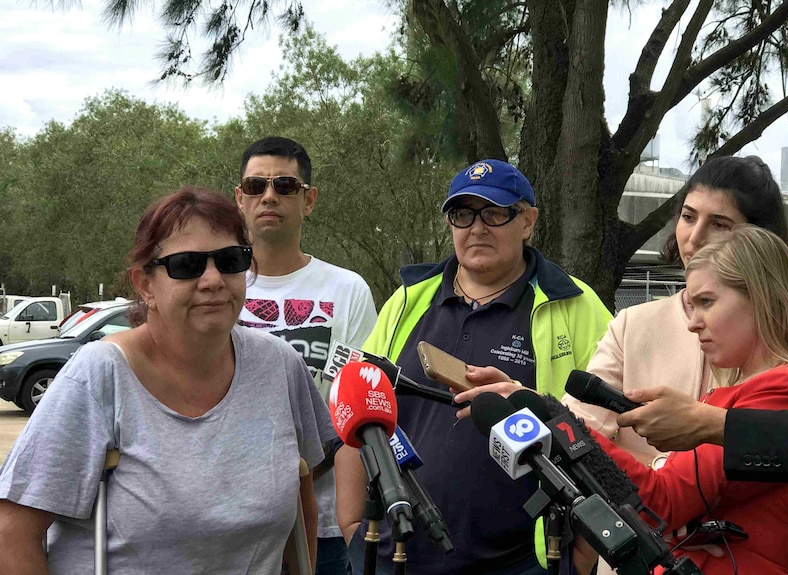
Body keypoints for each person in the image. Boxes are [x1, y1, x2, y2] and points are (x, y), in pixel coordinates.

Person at [0, 187, 335, 574]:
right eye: (187, 265)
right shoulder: (98, 375)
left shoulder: (280, 365)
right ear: (145, 285)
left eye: (230, 260)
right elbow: (13, 530)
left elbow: (303, 503)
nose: (213, 279)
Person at [334, 159, 613, 575]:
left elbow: (610, 437)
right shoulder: (409, 298)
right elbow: (355, 405)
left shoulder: (575, 303)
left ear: (528, 222)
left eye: (495, 212)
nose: (477, 228)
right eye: (462, 214)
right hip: (399, 553)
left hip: (524, 562)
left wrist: (582, 556)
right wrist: (353, 525)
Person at [578, 225, 788, 574]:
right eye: (691, 303)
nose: (693, 323)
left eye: (706, 302)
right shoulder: (758, 386)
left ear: (761, 297)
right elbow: (677, 507)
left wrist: (561, 424)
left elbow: (661, 502)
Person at [562, 155, 788, 468]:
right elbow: (580, 435)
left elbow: (782, 456)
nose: (695, 237)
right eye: (688, 217)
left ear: (758, 241)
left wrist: (660, 468)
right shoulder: (632, 325)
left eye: (719, 225)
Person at [235, 136, 377, 575]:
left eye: (285, 186)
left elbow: (353, 402)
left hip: (326, 525)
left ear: (309, 200)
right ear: (239, 200)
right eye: (256, 186)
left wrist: (295, 478)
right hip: (232, 516)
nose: (270, 196)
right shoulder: (216, 284)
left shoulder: (347, 290)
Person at [615, 385, 788, 485]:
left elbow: (669, 503)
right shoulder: (731, 387)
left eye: (707, 302)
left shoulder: (787, 386)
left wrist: (582, 440)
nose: (692, 324)